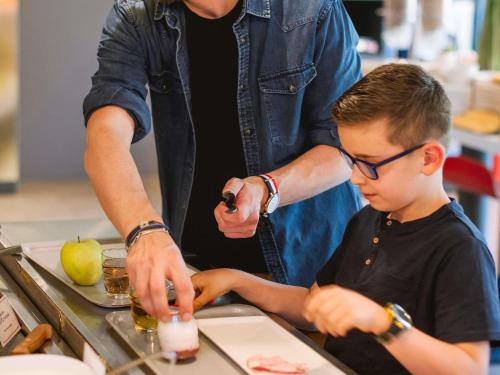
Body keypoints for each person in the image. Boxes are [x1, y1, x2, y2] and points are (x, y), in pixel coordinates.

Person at [191, 64, 500, 374]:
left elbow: (469, 368)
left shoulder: (460, 249)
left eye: (370, 164)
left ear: (428, 159)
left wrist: (382, 322)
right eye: (353, 161)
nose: (354, 178)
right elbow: (312, 305)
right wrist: (236, 280)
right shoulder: (368, 219)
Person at [83, 0, 362, 322]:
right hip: (198, 266)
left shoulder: (312, 9)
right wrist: (144, 230)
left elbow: (342, 148)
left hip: (305, 266)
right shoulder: (136, 15)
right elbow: (105, 134)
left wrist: (266, 189)